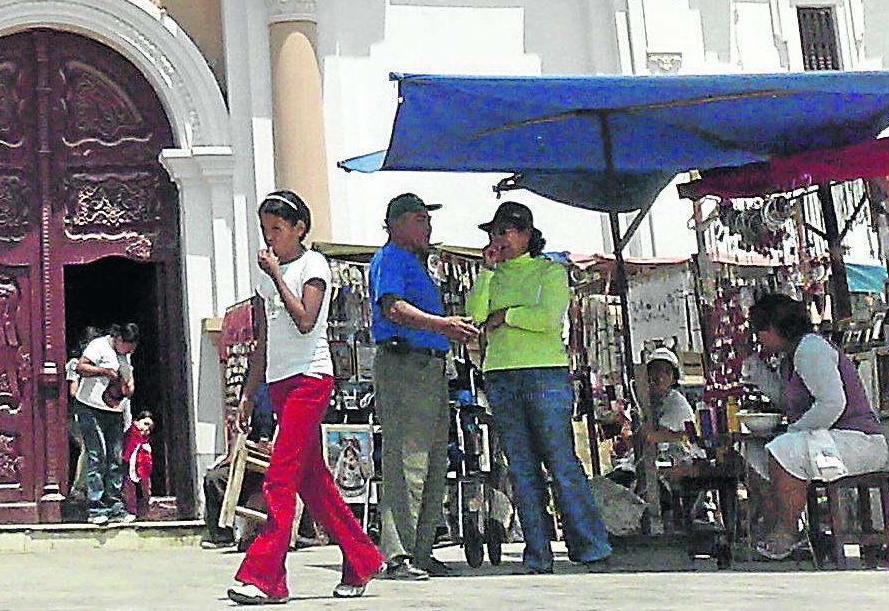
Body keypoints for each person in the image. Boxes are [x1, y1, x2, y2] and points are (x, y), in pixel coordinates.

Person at [229, 190, 382, 605]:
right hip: (278, 382)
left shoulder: (313, 266)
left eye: (276, 229)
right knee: (313, 481)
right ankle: (360, 556)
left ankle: (265, 576)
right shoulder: (266, 278)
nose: (270, 237)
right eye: (265, 230)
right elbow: (263, 340)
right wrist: (248, 391)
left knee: (279, 477)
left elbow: (304, 321)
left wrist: (278, 276)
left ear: (298, 228)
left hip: (309, 379)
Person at [465, 201, 611, 574]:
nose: (500, 239)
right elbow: (476, 315)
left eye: (507, 231)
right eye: (495, 232)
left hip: (544, 374)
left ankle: (590, 545)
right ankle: (537, 552)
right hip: (499, 374)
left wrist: (507, 315)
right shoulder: (492, 277)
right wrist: (486, 275)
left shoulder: (550, 271)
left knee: (560, 462)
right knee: (522, 468)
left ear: (527, 234)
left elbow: (547, 319)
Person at [365, 192, 481, 580]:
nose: (427, 227)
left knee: (434, 459)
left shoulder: (416, 264)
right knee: (406, 459)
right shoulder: (391, 259)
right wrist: (443, 325)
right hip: (404, 363)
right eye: (418, 219)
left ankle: (422, 548)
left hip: (429, 366)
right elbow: (392, 308)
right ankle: (398, 553)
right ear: (395, 224)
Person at [740, 293, 886, 561]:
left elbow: (832, 404)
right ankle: (776, 522)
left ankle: (788, 530)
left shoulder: (811, 348)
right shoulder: (791, 356)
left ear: (771, 329)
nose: (758, 339)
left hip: (857, 441)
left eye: (759, 332)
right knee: (754, 452)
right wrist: (757, 372)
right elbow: (787, 400)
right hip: (832, 437)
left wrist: (795, 432)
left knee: (784, 449)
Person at [67, 322, 137, 526]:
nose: (129, 351)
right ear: (119, 340)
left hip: (114, 409)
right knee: (97, 455)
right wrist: (104, 372)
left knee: (115, 457)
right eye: (127, 347)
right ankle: (95, 506)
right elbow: (80, 367)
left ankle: (115, 504)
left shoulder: (126, 355)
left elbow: (128, 376)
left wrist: (129, 387)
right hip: (91, 407)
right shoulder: (99, 346)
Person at [123, 413, 155, 517]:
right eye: (145, 424)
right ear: (136, 422)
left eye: (149, 428)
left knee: (144, 491)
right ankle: (130, 511)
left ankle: (143, 512)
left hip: (141, 470)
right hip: (127, 465)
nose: (146, 429)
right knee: (128, 490)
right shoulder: (131, 433)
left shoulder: (145, 443)